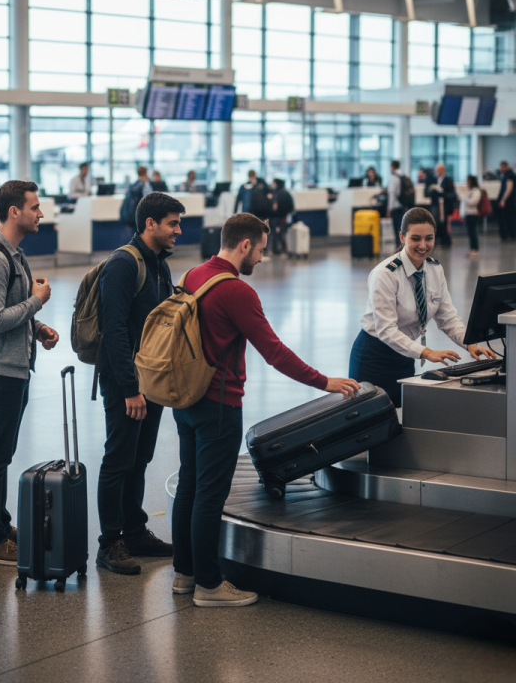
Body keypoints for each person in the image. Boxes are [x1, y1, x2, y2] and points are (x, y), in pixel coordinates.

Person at [171, 213, 359, 607]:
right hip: (219, 405)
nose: (261, 258)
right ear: (244, 245)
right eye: (260, 250)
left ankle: (184, 574)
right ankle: (209, 586)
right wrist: (324, 381)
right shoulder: (236, 291)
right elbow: (274, 352)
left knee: (190, 485)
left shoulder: (193, 275)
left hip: (185, 398)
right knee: (210, 496)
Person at [0, 181, 60, 566]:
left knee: (1, 453)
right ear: (13, 212)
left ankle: (0, 524)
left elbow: (12, 309)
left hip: (14, 368)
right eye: (34, 207)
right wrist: (36, 302)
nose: (41, 214)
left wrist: (37, 328)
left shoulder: (15, 255)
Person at [96, 192, 186, 575]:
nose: (178, 231)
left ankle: (134, 532)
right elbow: (114, 331)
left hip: (153, 380)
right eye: (172, 224)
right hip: (127, 382)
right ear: (150, 224)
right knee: (119, 459)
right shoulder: (123, 264)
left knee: (140, 458)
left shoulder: (159, 265)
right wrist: (130, 389)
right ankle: (109, 544)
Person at [349, 207, 496, 408]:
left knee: (402, 417)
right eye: (416, 239)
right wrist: (426, 352)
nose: (423, 245)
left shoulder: (435, 269)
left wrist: (470, 343)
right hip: (374, 357)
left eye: (429, 238)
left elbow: (448, 318)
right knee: (371, 419)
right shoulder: (385, 274)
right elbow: (386, 330)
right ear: (402, 237)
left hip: (406, 355)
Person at [427, 163, 456, 247]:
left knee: (443, 223)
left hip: (444, 206)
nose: (437, 172)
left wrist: (441, 193)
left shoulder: (448, 180)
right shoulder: (434, 180)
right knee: (435, 222)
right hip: (435, 204)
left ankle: (445, 241)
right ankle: (437, 240)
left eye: (438, 170)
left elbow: (451, 193)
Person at [270, 178, 294, 256]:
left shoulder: (276, 193)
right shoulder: (286, 193)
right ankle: (281, 249)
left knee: (277, 233)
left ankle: (278, 250)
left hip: (278, 217)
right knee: (280, 233)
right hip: (282, 217)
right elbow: (291, 207)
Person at [460, 175, 481, 258]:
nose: (466, 183)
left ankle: (475, 249)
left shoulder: (476, 191)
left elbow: (473, 202)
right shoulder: (469, 191)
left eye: (468, 181)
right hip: (467, 214)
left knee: (473, 233)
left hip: (473, 214)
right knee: (470, 233)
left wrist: (464, 197)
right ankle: (471, 248)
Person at [386, 160, 405, 248]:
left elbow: (392, 193)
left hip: (395, 206)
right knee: (401, 226)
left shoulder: (394, 177)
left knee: (396, 227)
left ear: (392, 167)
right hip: (402, 204)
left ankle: (398, 245)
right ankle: (402, 243)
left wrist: (389, 208)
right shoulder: (402, 176)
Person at [496, 160, 516, 242]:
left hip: (508, 201)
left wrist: (503, 199)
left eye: (502, 167)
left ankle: (510, 234)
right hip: (507, 200)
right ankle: (509, 234)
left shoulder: (510, 175)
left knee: (508, 218)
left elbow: (509, 188)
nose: (500, 169)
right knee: (507, 218)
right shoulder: (504, 175)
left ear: (506, 166)